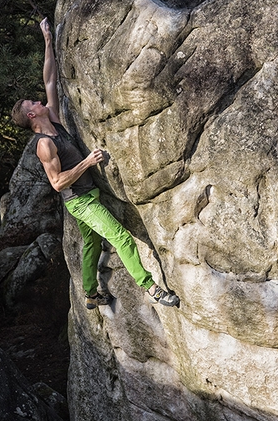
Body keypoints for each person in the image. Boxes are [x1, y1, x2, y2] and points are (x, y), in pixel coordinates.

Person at [11, 18, 179, 310]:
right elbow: (57, 182)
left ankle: (90, 294)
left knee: (91, 245)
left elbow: (50, 79)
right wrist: (87, 162)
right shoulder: (44, 145)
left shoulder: (51, 118)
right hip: (80, 202)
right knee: (121, 238)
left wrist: (48, 41)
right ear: (30, 117)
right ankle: (151, 288)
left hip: (87, 195)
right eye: (33, 104)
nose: (38, 101)